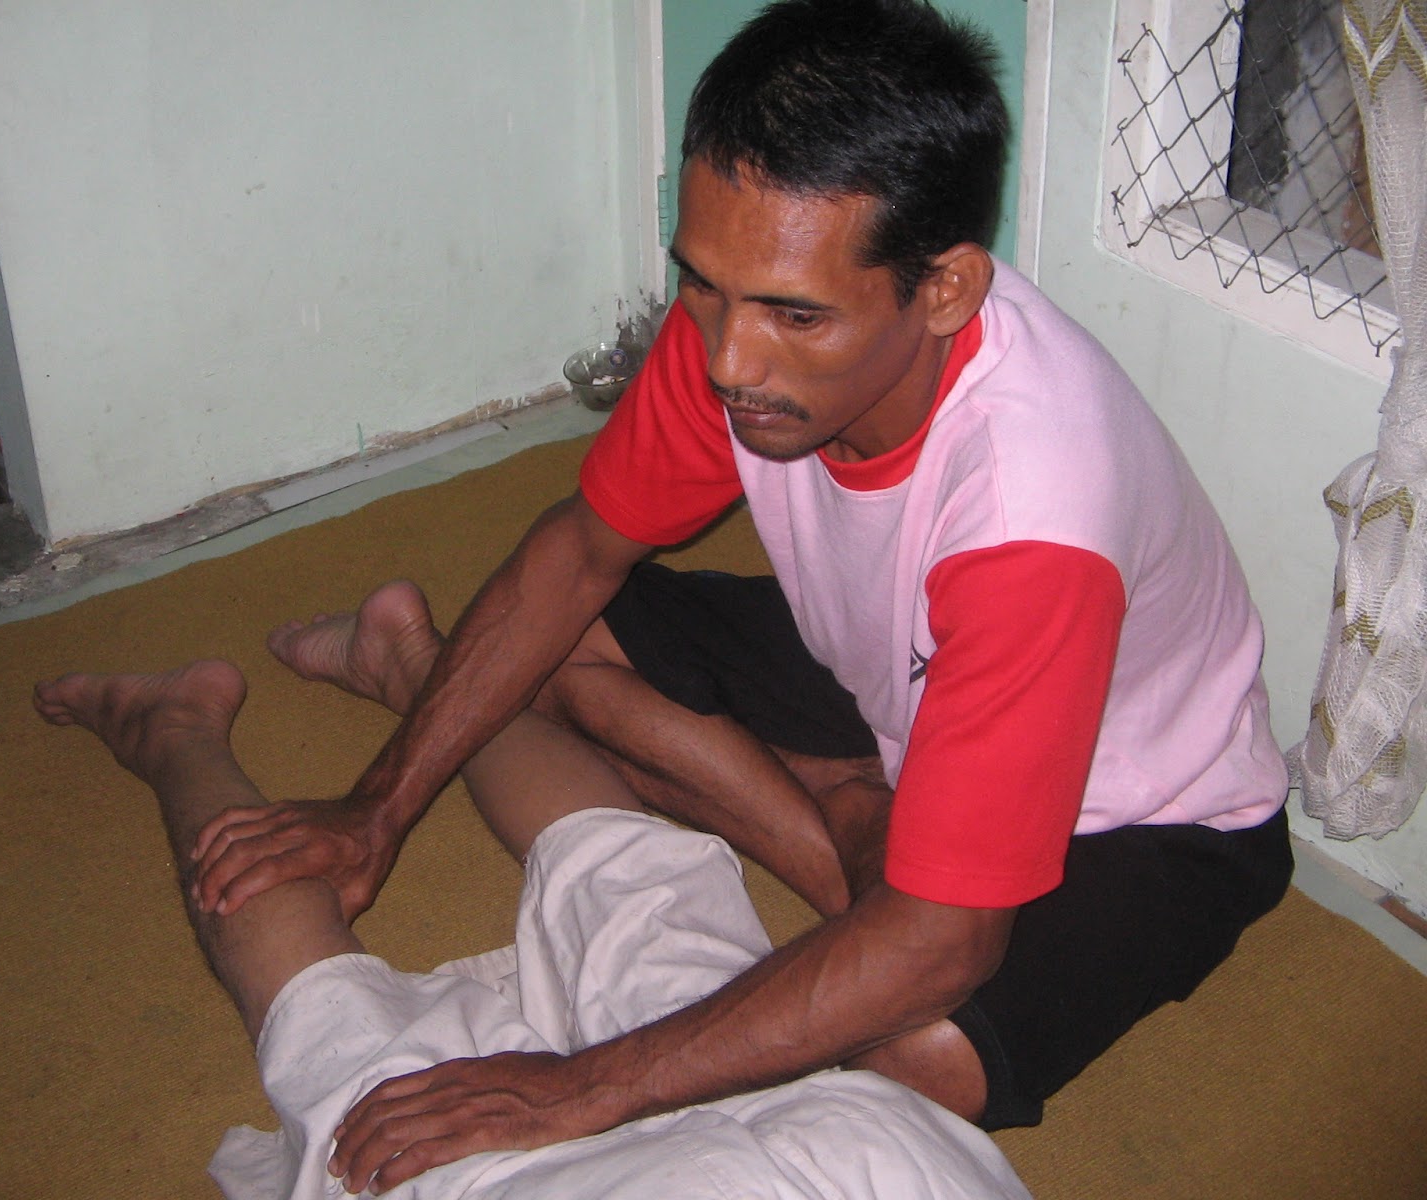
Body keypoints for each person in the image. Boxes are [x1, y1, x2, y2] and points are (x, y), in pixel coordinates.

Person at [186, 0, 1293, 1181]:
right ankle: (868, 831)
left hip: (1142, 813)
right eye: (704, 285)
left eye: (793, 315)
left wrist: (578, 1087)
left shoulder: (1033, 525)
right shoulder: (745, 325)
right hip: (890, 678)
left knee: (918, 1050)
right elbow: (578, 554)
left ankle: (867, 841)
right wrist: (378, 806)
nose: (726, 361)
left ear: (946, 291)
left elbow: (946, 949)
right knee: (553, 639)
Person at [31, 582, 1032, 1200]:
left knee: (636, 893)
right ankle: (198, 725)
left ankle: (392, 677)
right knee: (355, 1056)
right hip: (853, 1162)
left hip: (872, 1160)